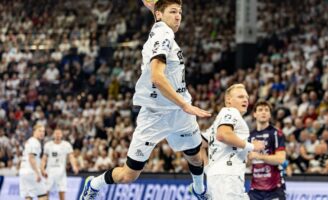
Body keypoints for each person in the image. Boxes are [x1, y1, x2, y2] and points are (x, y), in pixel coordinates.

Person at [79, 0, 211, 199]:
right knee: (128, 175)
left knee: (194, 153)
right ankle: (95, 184)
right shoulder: (163, 34)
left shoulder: (162, 28)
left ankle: (199, 190)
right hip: (155, 113)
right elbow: (157, 78)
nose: (178, 16)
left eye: (180, 12)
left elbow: (159, 11)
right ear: (160, 15)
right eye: (173, 12)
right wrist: (185, 105)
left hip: (178, 112)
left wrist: (156, 7)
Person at [202, 84, 265, 200]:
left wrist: (207, 168)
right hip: (228, 178)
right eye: (240, 97)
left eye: (246, 97)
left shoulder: (217, 122)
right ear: (228, 101)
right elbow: (223, 135)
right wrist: (251, 146)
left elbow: (200, 144)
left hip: (221, 177)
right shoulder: (230, 112)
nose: (245, 99)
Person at [248, 100, 287, 200]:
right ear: (255, 114)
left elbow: (280, 159)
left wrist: (258, 156)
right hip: (255, 190)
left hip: (274, 189)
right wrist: (248, 157)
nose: (263, 112)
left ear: (270, 115)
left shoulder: (276, 133)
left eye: (266, 110)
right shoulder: (250, 136)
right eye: (260, 110)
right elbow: (246, 163)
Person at [40, 128, 79, 200]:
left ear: (62, 135)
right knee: (45, 191)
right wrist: (42, 169)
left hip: (61, 171)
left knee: (62, 192)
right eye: (56, 133)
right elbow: (44, 159)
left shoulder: (66, 145)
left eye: (59, 133)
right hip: (49, 171)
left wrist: (74, 166)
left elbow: (71, 157)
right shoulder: (48, 145)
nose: (57, 135)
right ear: (53, 135)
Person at [19, 124, 48, 200]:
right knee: (42, 194)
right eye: (40, 131)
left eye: (43, 131)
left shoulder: (29, 141)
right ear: (34, 131)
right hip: (31, 172)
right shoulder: (35, 142)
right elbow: (31, 158)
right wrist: (37, 173)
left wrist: (41, 170)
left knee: (29, 195)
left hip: (23, 171)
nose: (42, 133)